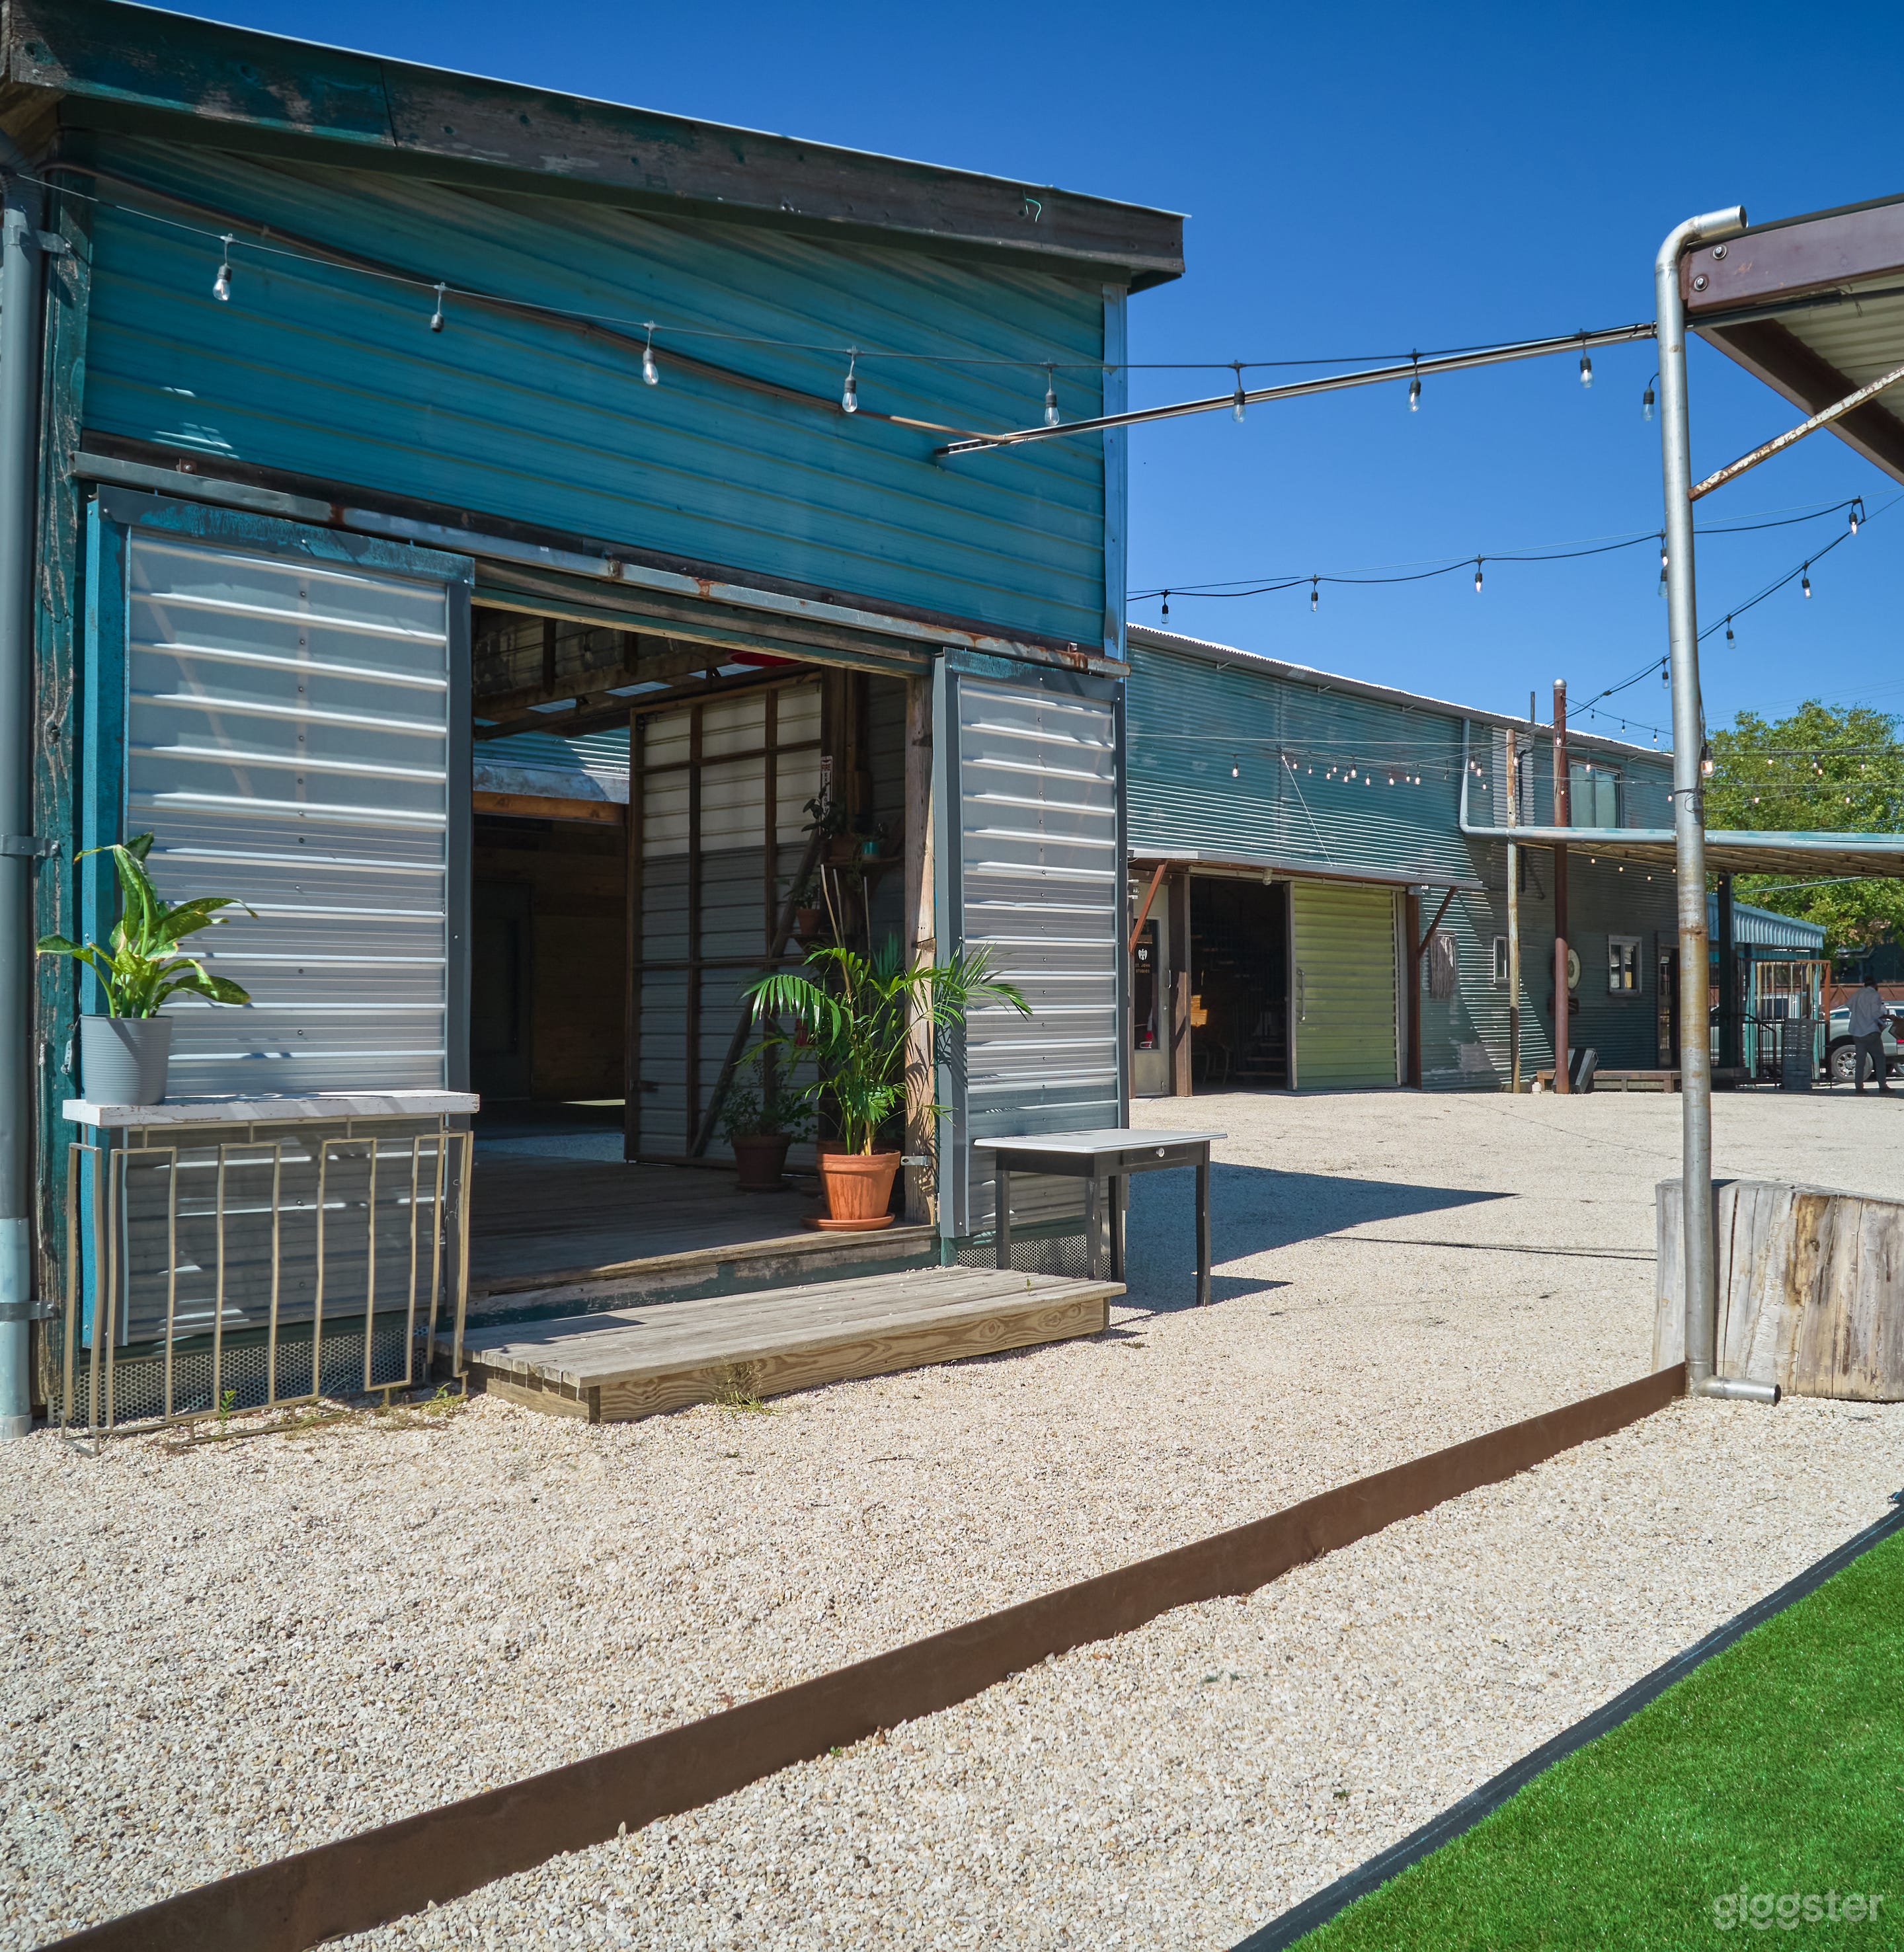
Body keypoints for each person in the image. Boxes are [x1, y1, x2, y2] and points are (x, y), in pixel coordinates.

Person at [1847, 977, 1893, 1094]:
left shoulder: (1857, 994)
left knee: (1861, 1060)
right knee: (1880, 1058)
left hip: (1856, 1031)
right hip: (1871, 1031)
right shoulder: (1874, 995)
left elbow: (1849, 1006)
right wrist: (1886, 1016)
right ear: (1874, 985)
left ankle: (1859, 1086)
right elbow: (1875, 1013)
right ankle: (1882, 1085)